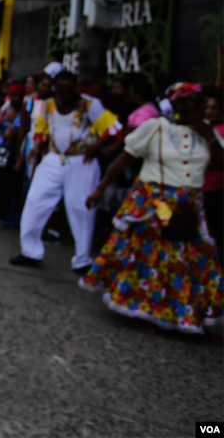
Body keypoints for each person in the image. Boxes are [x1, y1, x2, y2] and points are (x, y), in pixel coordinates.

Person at [81, 83, 223, 334]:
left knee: (188, 261)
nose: (203, 106)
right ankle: (144, 310)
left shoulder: (208, 133)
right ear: (179, 104)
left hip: (189, 207)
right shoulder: (156, 127)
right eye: (196, 101)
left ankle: (181, 312)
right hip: (155, 203)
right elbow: (124, 160)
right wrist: (100, 188)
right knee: (157, 258)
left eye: (204, 102)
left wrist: (206, 133)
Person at [11, 71, 121, 272]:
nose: (65, 95)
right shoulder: (49, 105)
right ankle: (30, 252)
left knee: (80, 208)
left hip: (82, 161)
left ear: (75, 88)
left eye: (69, 90)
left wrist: (96, 148)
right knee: (35, 201)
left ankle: (82, 260)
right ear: (55, 89)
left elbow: (114, 130)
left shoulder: (90, 105)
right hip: (53, 158)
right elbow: (43, 130)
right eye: (61, 90)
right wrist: (36, 147)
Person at [0, 81, 24, 228]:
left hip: (17, 153)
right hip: (0, 150)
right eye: (11, 95)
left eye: (16, 95)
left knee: (9, 192)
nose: (14, 98)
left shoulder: (25, 111)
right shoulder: (6, 109)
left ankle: (6, 217)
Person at [202, 92, 224, 263]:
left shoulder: (219, 130)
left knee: (215, 234)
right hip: (203, 188)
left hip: (215, 189)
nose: (209, 111)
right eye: (207, 107)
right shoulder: (206, 128)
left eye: (214, 108)